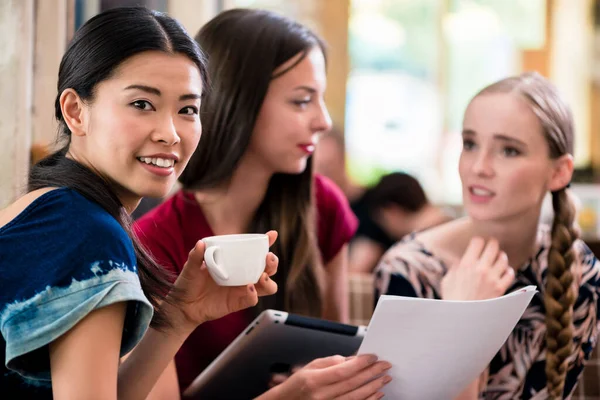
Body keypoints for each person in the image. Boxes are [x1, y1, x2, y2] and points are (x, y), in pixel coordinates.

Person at [0, 7, 390, 400]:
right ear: (75, 111)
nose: (170, 133)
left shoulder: (48, 210)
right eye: (142, 104)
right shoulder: (90, 234)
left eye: (188, 109)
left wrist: (181, 316)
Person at [375, 72, 600, 399]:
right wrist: (464, 322)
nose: (478, 167)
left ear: (559, 172)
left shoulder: (579, 271)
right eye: (469, 144)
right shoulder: (407, 271)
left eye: (508, 150)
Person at [350, 172, 453, 273]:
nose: (383, 228)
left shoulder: (414, 247)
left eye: (382, 219)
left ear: (392, 211)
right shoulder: (452, 227)